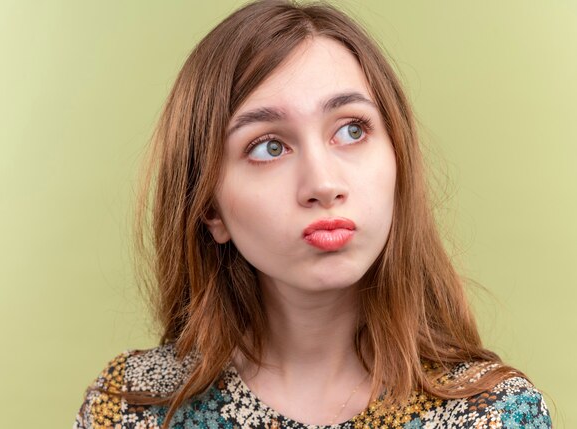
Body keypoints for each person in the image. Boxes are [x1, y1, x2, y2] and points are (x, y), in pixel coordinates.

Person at [73, 1, 552, 428]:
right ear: (210, 209)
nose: (323, 184)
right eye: (270, 146)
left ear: (399, 163)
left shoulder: (494, 414)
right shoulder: (132, 410)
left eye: (351, 131)